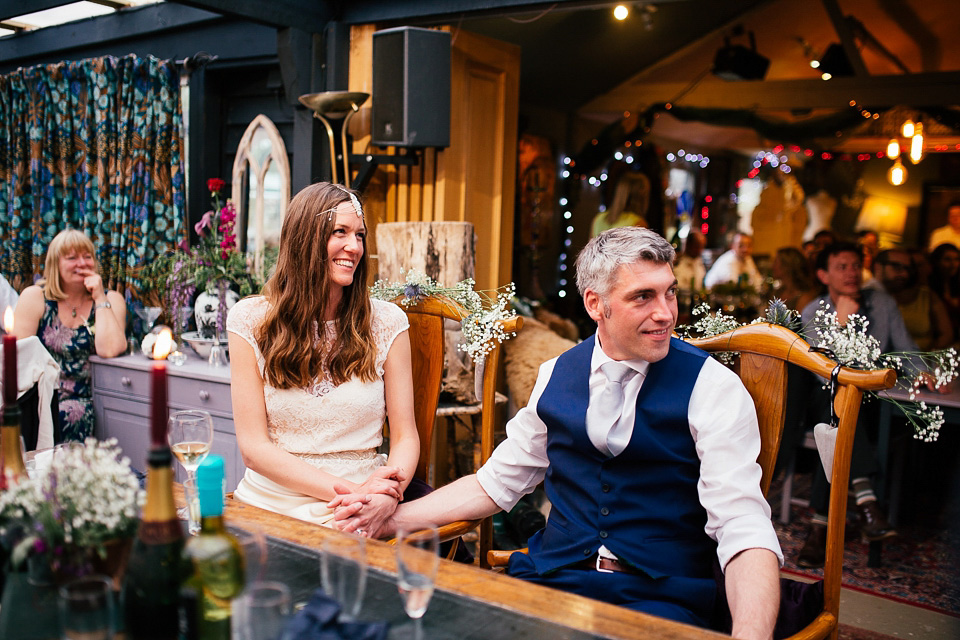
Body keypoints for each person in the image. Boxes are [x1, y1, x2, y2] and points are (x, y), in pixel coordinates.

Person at [333, 227, 782, 638]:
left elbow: (743, 526)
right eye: (643, 297)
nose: (665, 313)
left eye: (670, 293)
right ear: (594, 304)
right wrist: (386, 520)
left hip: (659, 600)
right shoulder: (557, 374)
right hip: (551, 582)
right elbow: (495, 483)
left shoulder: (712, 387)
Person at [226, 182, 420, 530]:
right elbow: (253, 448)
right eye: (340, 232)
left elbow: (406, 437)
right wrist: (356, 492)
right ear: (305, 240)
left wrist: (385, 496)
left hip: (359, 508)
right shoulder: (249, 321)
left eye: (359, 235)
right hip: (274, 501)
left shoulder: (389, 323)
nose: (354, 246)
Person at [797, 242, 941, 568]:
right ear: (823, 275)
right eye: (842, 266)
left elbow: (907, 348)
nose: (851, 272)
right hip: (828, 397)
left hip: (873, 403)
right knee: (837, 407)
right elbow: (823, 372)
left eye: (855, 266)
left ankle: (819, 528)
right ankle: (866, 502)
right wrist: (840, 323)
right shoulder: (813, 311)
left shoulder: (882, 304)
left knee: (838, 417)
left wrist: (926, 373)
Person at [13, 229, 127, 442]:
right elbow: (20, 359)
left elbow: (109, 349)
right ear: (55, 265)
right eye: (72, 257)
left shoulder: (112, 300)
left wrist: (99, 296)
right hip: (39, 396)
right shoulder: (36, 297)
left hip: (84, 400)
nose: (82, 263)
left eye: (87, 257)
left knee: (68, 413)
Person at [875, 248, 953, 351]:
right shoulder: (874, 295)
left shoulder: (927, 296)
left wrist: (928, 355)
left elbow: (946, 334)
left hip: (920, 359)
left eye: (908, 268)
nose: (904, 273)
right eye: (897, 267)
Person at [929, 243, 960, 342]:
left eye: (956, 259)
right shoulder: (929, 287)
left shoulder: (956, 284)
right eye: (947, 259)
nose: (953, 264)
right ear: (937, 261)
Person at [771, 246, 816, 312]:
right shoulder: (779, 292)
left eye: (775, 262)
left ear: (786, 267)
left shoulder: (804, 298)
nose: (772, 266)